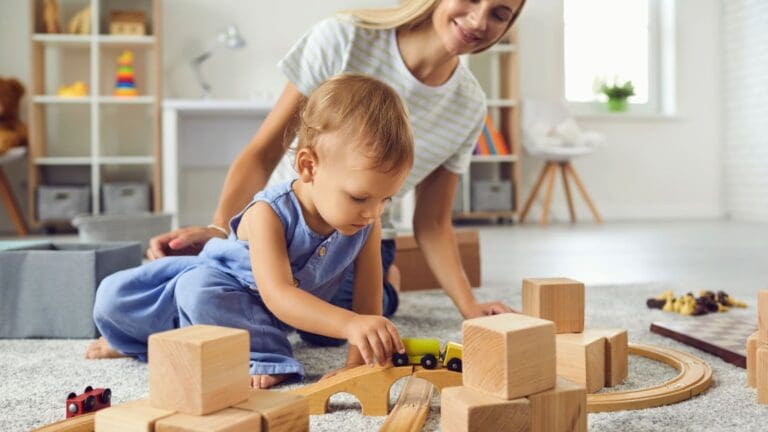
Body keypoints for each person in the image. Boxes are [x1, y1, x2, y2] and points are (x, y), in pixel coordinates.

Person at [148, 0, 525, 326]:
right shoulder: (343, 38)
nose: (479, 21)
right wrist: (220, 233)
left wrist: (469, 307)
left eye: (500, 14)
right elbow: (264, 153)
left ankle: (386, 282)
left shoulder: (469, 105)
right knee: (195, 288)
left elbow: (432, 220)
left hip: (357, 240)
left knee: (329, 321)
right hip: (277, 226)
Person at [86, 74, 413, 389]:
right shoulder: (268, 212)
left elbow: (367, 301)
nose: (373, 212)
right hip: (233, 289)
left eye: (386, 199)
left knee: (336, 328)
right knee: (128, 297)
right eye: (359, 197)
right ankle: (163, 343)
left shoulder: (367, 222)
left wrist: (356, 363)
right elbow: (279, 295)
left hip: (294, 307)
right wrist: (349, 323)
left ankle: (192, 337)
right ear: (308, 166)